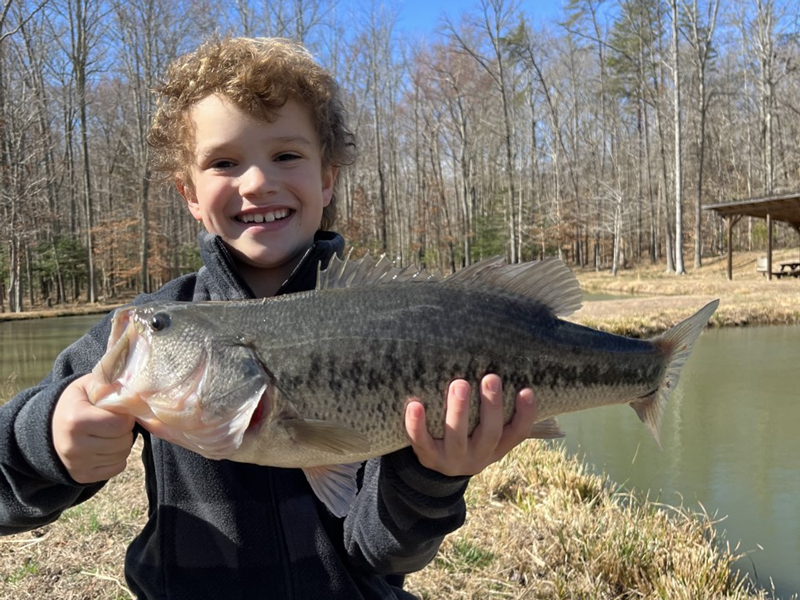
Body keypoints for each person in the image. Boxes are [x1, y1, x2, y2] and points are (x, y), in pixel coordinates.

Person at [0, 37, 538, 599]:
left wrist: (433, 477)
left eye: (286, 155)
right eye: (224, 162)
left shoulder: (391, 323)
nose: (257, 182)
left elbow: (381, 553)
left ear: (327, 177)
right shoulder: (154, 333)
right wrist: (49, 440)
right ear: (189, 192)